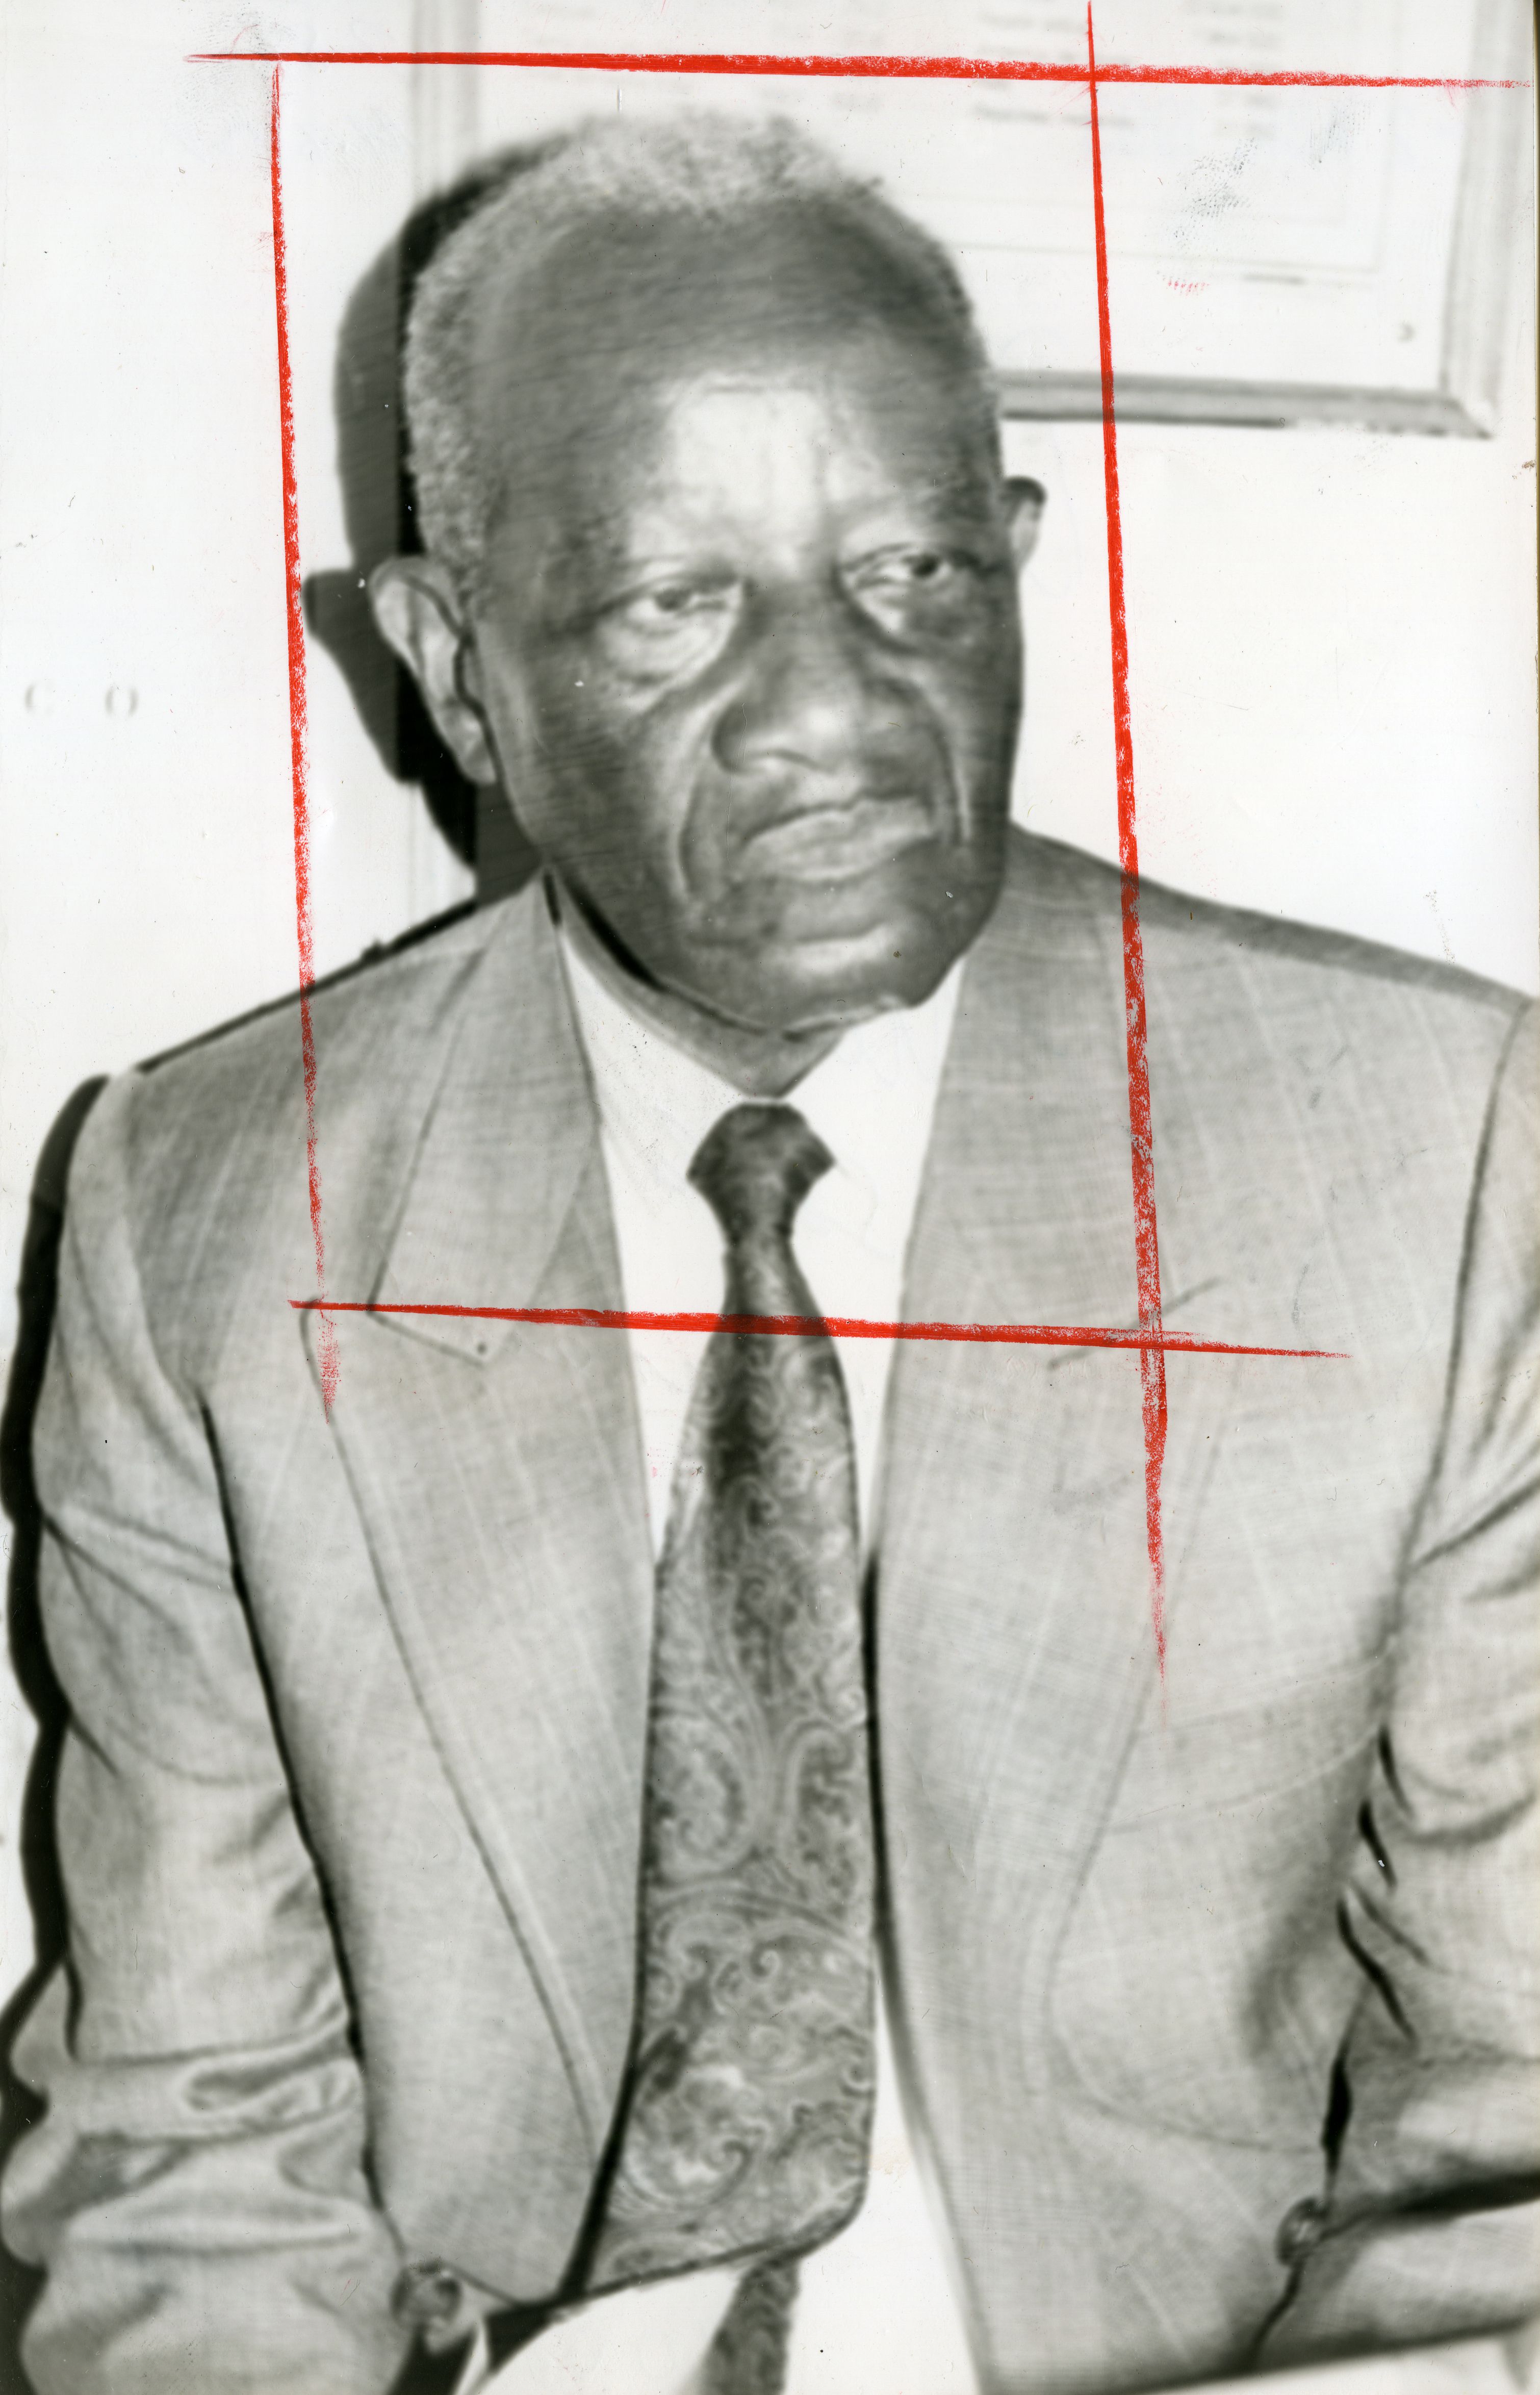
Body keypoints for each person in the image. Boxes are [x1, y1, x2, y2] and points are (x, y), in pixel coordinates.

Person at [3, 110, 1536, 2395]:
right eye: (672, 602)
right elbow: (190, 2154)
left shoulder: (1435, 1158)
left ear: (1018, 564)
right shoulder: (208, 1217)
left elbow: (1514, 2132)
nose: (834, 710)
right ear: (455, 666)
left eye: (913, 570)